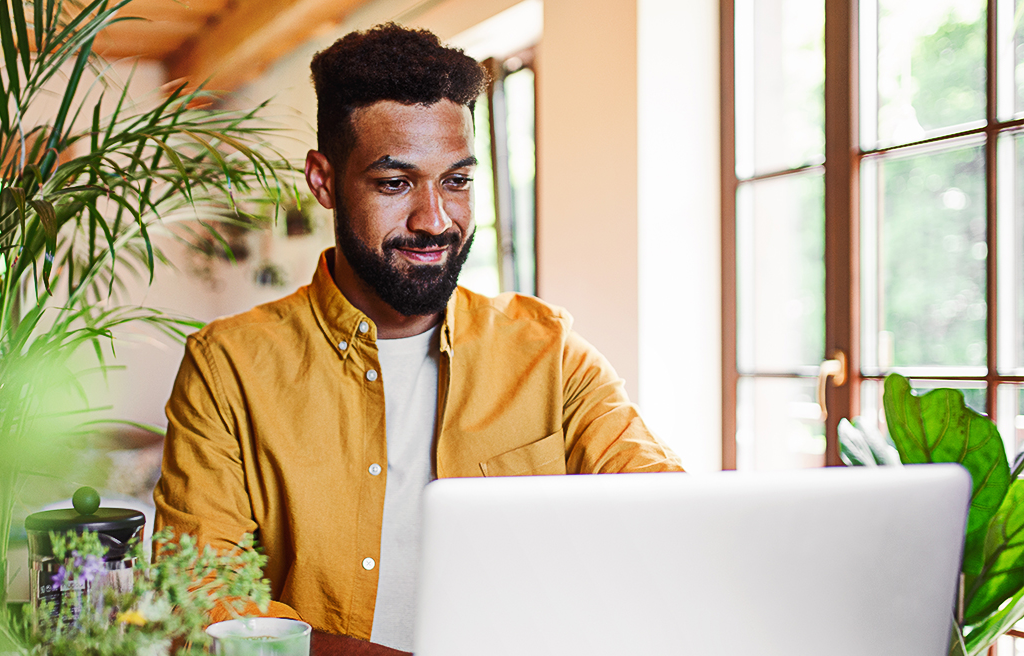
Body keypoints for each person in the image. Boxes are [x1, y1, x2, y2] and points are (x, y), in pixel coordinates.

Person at [153, 23, 684, 654]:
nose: (435, 219)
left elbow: (664, 512)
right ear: (323, 180)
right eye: (394, 183)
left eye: (456, 180)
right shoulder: (228, 367)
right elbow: (202, 602)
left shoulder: (548, 350)